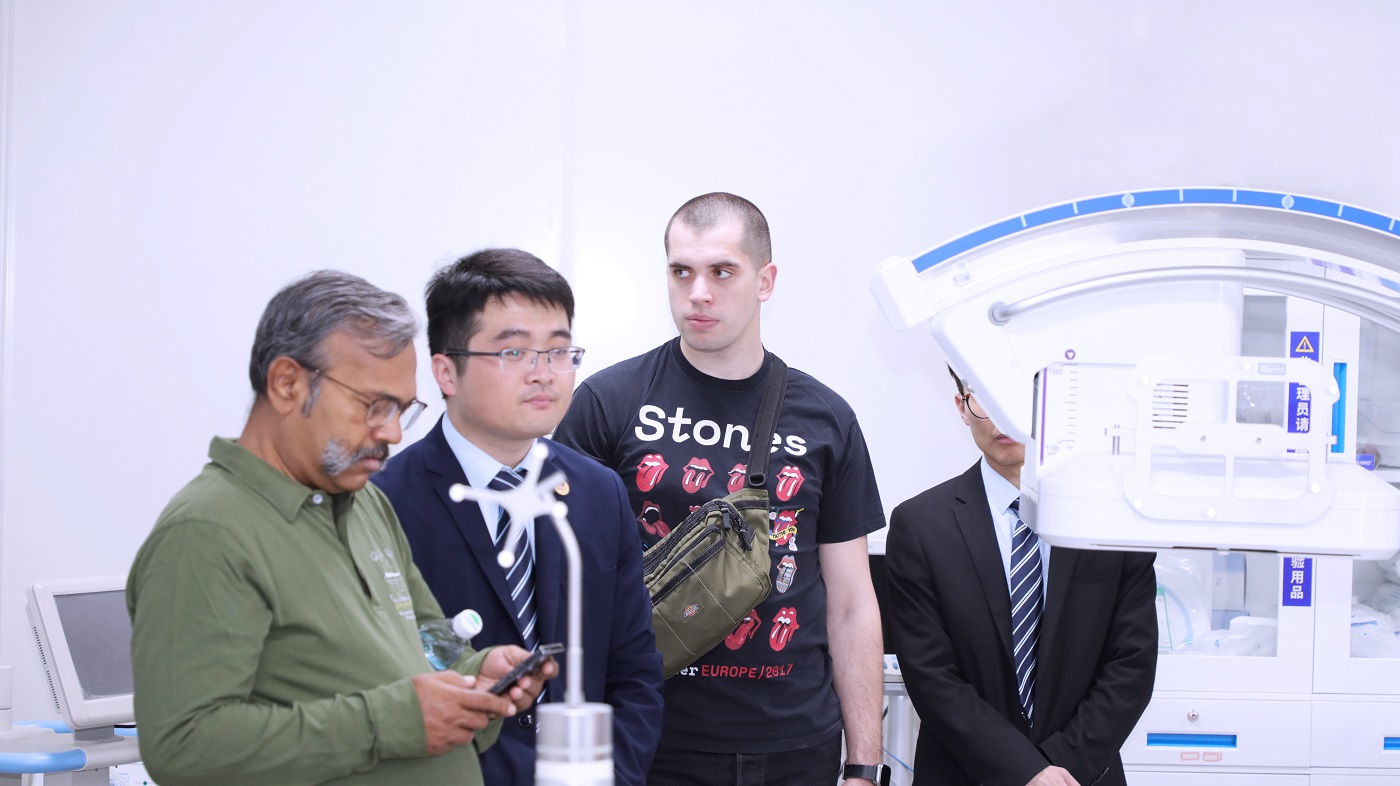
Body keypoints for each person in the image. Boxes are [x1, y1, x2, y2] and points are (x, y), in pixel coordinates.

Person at [127, 270, 554, 786]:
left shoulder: (366, 504)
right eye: (373, 406)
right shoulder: (207, 532)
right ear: (287, 384)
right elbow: (183, 745)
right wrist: (389, 723)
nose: (392, 433)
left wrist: (475, 677)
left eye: (402, 410)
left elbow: (426, 648)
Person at [552, 192, 889, 786]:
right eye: (681, 272)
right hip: (650, 738)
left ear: (765, 281)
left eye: (722, 272)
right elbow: (564, 580)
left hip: (794, 742)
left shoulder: (825, 418)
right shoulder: (610, 403)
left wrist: (864, 762)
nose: (698, 293)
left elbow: (851, 601)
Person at [373, 248, 664, 785]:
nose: (543, 374)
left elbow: (635, 672)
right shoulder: (384, 503)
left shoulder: (599, 492)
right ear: (446, 371)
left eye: (558, 351)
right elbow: (386, 684)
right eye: (514, 352)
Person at [885, 368, 1158, 786]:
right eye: (984, 397)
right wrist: (1024, 772)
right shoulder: (920, 526)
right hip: (963, 774)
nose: (1004, 417)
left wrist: (1056, 769)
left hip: (1081, 776)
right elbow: (931, 675)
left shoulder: (1113, 517)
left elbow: (1131, 664)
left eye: (1018, 397)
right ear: (962, 407)